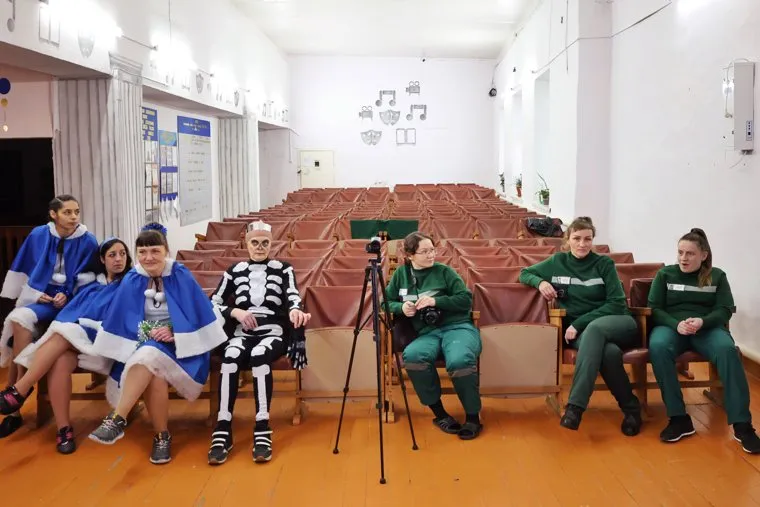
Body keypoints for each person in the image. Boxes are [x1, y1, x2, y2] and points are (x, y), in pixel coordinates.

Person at [88, 223, 227, 464]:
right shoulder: (133, 278)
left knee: (149, 356)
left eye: (155, 251)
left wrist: (174, 330)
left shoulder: (180, 275)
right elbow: (122, 318)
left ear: (166, 251)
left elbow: (199, 312)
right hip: (142, 342)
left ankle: (118, 418)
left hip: (182, 345)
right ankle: (162, 436)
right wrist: (145, 331)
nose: (148, 257)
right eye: (142, 252)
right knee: (154, 370)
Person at [0, 237, 132, 453]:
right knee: (60, 360)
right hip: (80, 342)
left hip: (108, 344)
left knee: (63, 334)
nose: (118, 259)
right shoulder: (91, 287)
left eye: (122, 254)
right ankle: (64, 429)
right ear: (102, 259)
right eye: (112, 255)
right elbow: (73, 313)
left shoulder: (130, 284)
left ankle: (20, 389)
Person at [519, 216, 642, 435]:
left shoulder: (604, 264)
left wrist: (578, 323)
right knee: (609, 353)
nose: (582, 244)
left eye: (588, 239)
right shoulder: (558, 262)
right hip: (582, 332)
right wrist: (541, 282)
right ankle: (632, 410)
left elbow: (616, 303)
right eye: (577, 238)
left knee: (595, 329)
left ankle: (575, 407)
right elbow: (524, 273)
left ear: (593, 240)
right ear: (567, 240)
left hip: (617, 322)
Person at [207, 220, 310, 465]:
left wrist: (296, 310)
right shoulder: (234, 270)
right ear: (246, 243)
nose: (260, 247)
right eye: (255, 242)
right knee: (230, 358)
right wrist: (235, 312)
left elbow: (293, 296)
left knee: (259, 356)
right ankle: (223, 427)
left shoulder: (283, 269)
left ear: (271, 244)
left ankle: (262, 426)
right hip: (242, 331)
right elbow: (213, 302)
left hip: (273, 330)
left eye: (265, 243)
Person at [648, 228, 760, 452]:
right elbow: (654, 309)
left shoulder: (717, 276)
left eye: (690, 253)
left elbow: (725, 309)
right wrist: (675, 324)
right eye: (680, 252)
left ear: (703, 255)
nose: (683, 258)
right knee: (658, 347)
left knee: (728, 350)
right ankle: (679, 418)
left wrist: (703, 321)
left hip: (706, 328)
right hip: (672, 327)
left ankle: (742, 425)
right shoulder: (665, 275)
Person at [0, 194, 98, 437]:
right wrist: (36, 294)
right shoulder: (39, 235)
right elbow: (26, 269)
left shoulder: (87, 240)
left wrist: (69, 294)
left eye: (76, 212)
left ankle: (16, 396)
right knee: (19, 320)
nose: (74, 217)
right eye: (67, 212)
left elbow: (91, 278)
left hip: (71, 302)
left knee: (21, 339)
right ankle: (21, 389)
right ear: (53, 214)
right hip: (42, 298)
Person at [384, 231, 483, 440]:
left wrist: (436, 301)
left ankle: (473, 417)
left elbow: (466, 299)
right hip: (427, 333)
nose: (431, 255)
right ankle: (440, 414)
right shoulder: (401, 274)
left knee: (459, 361)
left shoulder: (444, 271)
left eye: (432, 250)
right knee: (413, 357)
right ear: (410, 255)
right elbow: (385, 302)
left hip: (457, 328)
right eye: (425, 251)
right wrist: (401, 308)